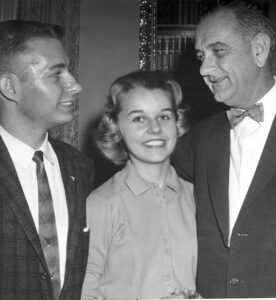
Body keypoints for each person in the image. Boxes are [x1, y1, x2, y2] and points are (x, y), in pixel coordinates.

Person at [174, 0, 276, 298]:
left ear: (259, 50)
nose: (205, 68)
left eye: (218, 51)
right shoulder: (197, 140)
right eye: (201, 56)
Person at [81, 70, 199, 300]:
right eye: (138, 118)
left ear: (177, 122)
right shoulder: (101, 204)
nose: (155, 128)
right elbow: (86, 289)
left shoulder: (198, 197)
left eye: (164, 116)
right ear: (116, 127)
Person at [0, 20, 95, 299]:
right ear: (10, 86)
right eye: (57, 74)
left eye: (70, 71)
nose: (75, 86)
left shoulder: (80, 167)